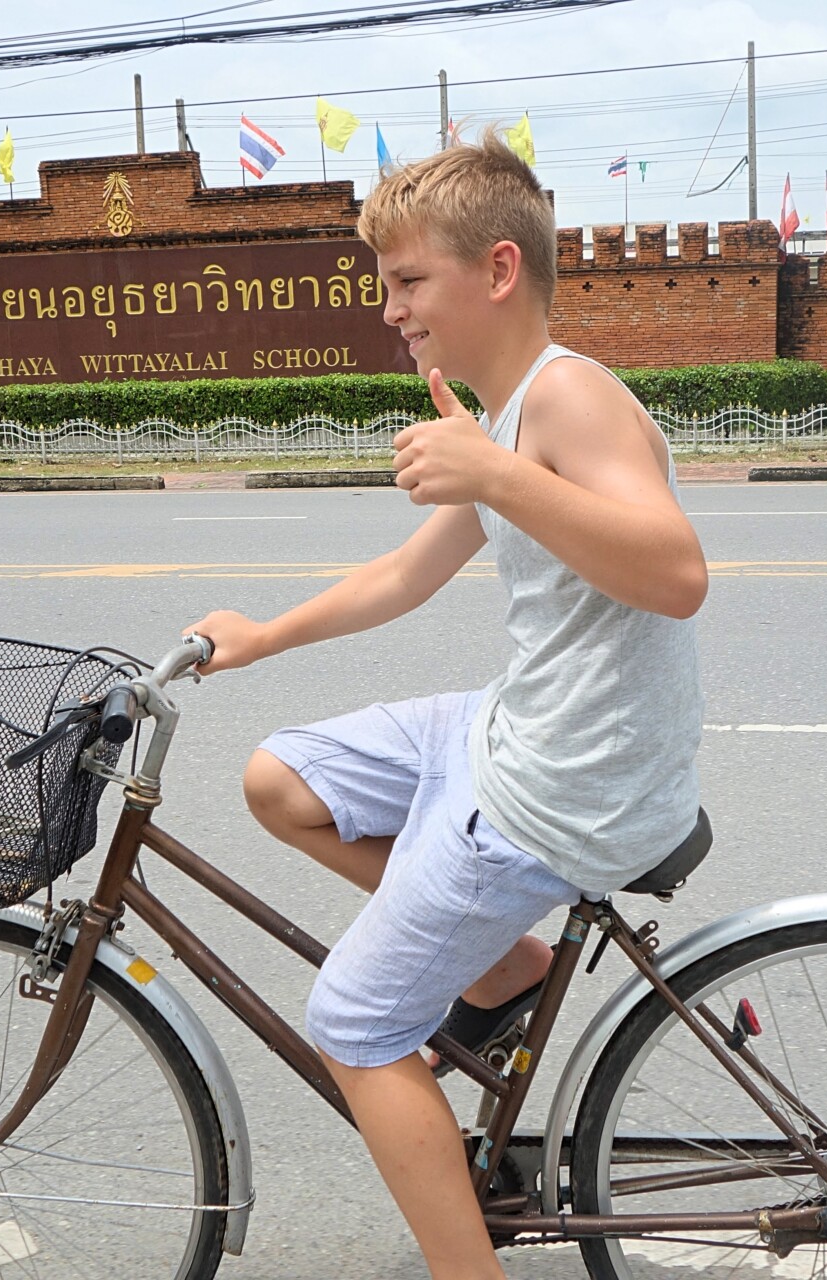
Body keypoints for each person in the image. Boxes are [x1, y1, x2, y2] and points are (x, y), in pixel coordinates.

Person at [184, 132, 706, 1280]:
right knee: (280, 778)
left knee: (357, 1026)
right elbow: (404, 575)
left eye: (409, 282)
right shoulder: (505, 412)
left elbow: (678, 573)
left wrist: (495, 473)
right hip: (515, 726)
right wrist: (262, 634)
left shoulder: (568, 398)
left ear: (500, 271)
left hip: (564, 783)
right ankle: (502, 967)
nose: (391, 311)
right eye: (386, 286)